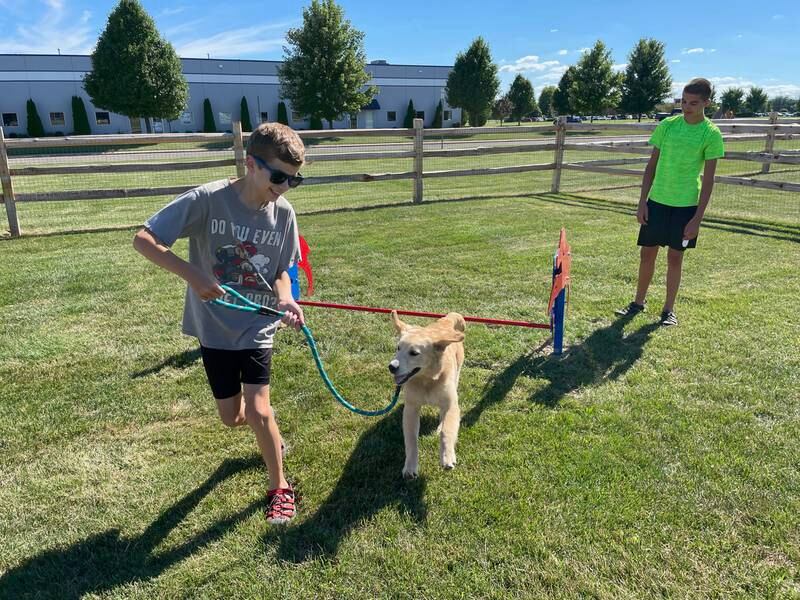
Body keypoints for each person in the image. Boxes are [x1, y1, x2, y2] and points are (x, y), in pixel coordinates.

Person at [133, 122, 307, 524]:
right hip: (213, 327)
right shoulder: (208, 200)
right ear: (251, 164)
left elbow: (283, 270)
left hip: (258, 323)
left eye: (293, 181)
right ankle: (271, 437)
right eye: (277, 177)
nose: (282, 188)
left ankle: (279, 487)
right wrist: (194, 276)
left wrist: (285, 297)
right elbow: (145, 240)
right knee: (233, 417)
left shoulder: (283, 214)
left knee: (260, 408)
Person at [615, 78, 725, 326]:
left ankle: (668, 311)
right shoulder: (667, 125)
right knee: (647, 256)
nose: (687, 107)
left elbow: (708, 181)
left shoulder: (711, 134)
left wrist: (697, 219)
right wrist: (642, 201)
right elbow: (651, 166)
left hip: (685, 207)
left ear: (707, 103)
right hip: (657, 202)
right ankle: (638, 303)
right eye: (684, 101)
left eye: (693, 103)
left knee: (675, 259)